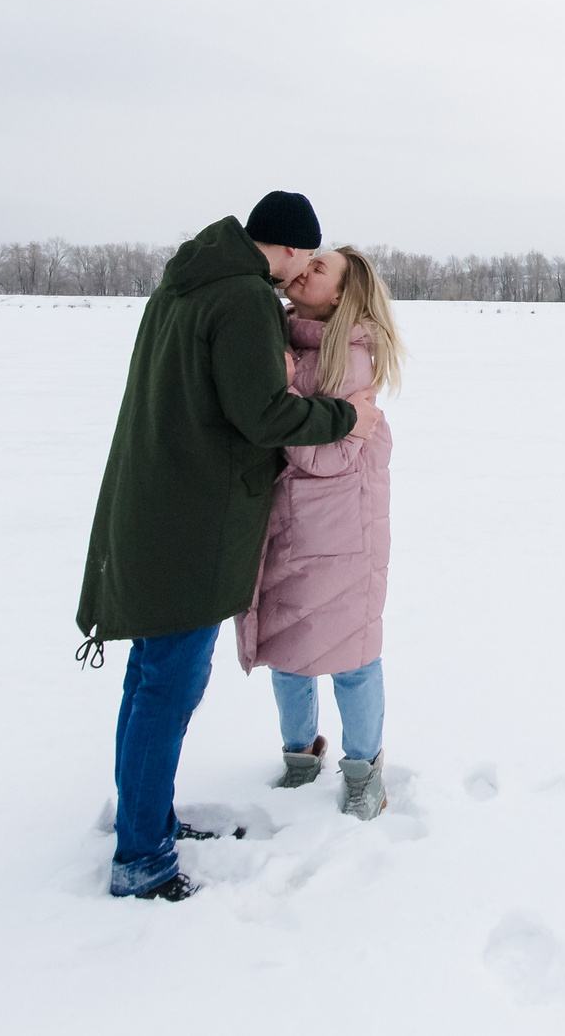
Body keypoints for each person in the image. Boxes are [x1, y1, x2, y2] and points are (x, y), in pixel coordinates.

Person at [76, 192, 378, 902]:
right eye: (308, 255)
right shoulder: (242, 297)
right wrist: (344, 417)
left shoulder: (188, 280)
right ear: (291, 247)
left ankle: (145, 819)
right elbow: (263, 414)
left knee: (150, 676)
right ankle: (142, 857)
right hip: (192, 519)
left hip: (154, 501)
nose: (304, 271)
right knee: (168, 686)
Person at [236, 245, 403, 821]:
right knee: (288, 652)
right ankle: (300, 755)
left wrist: (283, 397)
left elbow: (325, 458)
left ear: (339, 297)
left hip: (342, 534)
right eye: (306, 263)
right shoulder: (282, 340)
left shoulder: (348, 358)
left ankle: (364, 775)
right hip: (290, 526)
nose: (303, 271)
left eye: (318, 269)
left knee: (352, 658)